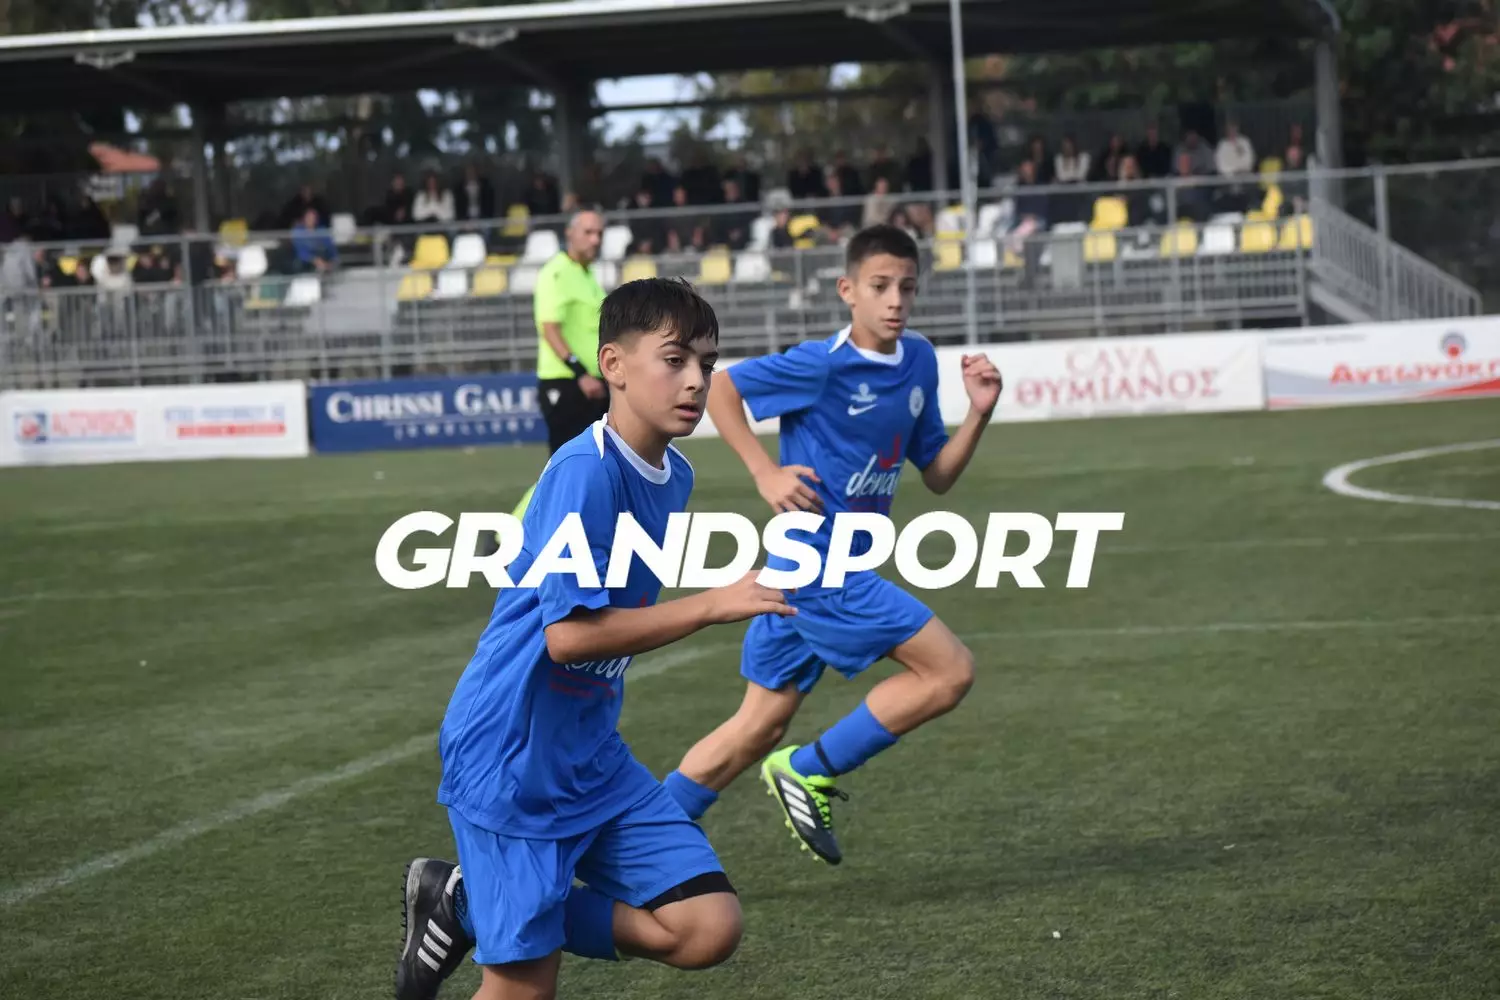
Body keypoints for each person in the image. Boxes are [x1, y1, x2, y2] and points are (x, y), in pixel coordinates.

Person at [395, 277, 796, 1000]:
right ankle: (480, 904)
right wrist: (712, 604)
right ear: (613, 364)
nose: (696, 380)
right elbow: (568, 638)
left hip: (590, 754)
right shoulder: (585, 473)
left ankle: (464, 903)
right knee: (522, 990)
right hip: (513, 757)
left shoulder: (673, 474)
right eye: (674, 359)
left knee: (706, 925)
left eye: (706, 363)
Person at [659, 224, 1003, 865]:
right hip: (823, 565)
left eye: (906, 287)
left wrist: (979, 411)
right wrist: (764, 471)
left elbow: (937, 473)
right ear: (848, 291)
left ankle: (643, 835)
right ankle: (810, 769)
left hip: (805, 569)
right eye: (880, 286)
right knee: (949, 671)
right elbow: (723, 388)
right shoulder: (821, 366)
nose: (895, 300)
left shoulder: (919, 360)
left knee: (757, 726)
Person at [507, 209, 609, 525]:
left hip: (593, 384)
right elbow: (549, 328)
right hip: (566, 384)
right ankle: (505, 537)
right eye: (588, 232)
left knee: (595, 467)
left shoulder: (587, 274)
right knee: (563, 468)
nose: (595, 240)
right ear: (570, 233)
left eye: (599, 233)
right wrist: (580, 373)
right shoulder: (556, 272)